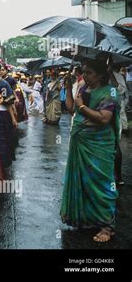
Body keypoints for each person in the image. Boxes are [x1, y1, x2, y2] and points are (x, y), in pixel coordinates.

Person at [61, 59, 120, 243]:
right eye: (83, 72)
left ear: (101, 75)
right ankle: (87, 218)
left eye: (89, 73)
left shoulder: (110, 91)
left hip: (99, 144)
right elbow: (71, 109)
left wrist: (82, 106)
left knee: (102, 184)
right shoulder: (83, 89)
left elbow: (103, 119)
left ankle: (107, 227)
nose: (84, 76)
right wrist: (69, 87)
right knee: (83, 181)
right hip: (80, 139)